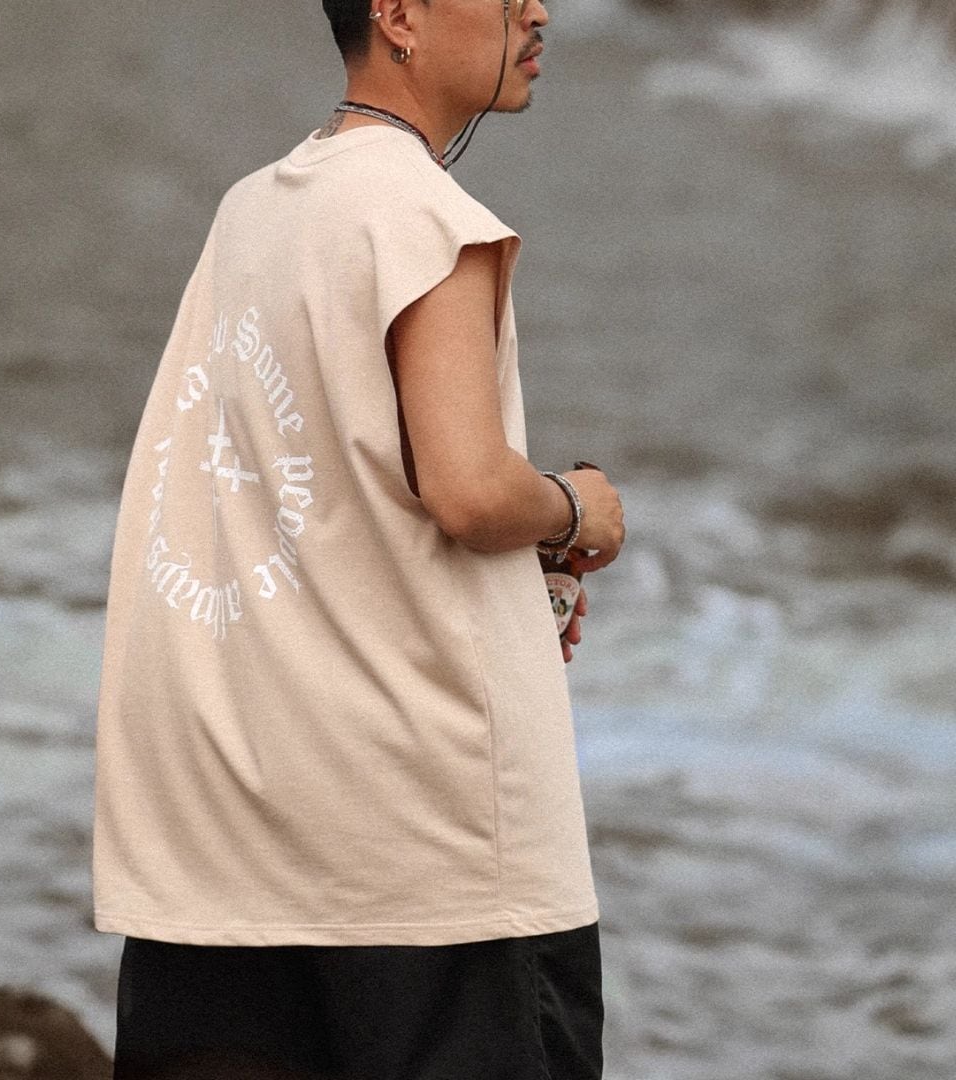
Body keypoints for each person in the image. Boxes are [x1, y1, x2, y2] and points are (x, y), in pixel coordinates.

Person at [92, 1, 625, 1077]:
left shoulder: (251, 212)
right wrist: (577, 510)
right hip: (425, 861)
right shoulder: (425, 217)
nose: (537, 10)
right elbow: (468, 491)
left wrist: (512, 574)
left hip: (221, 839)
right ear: (398, 14)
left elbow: (286, 488)